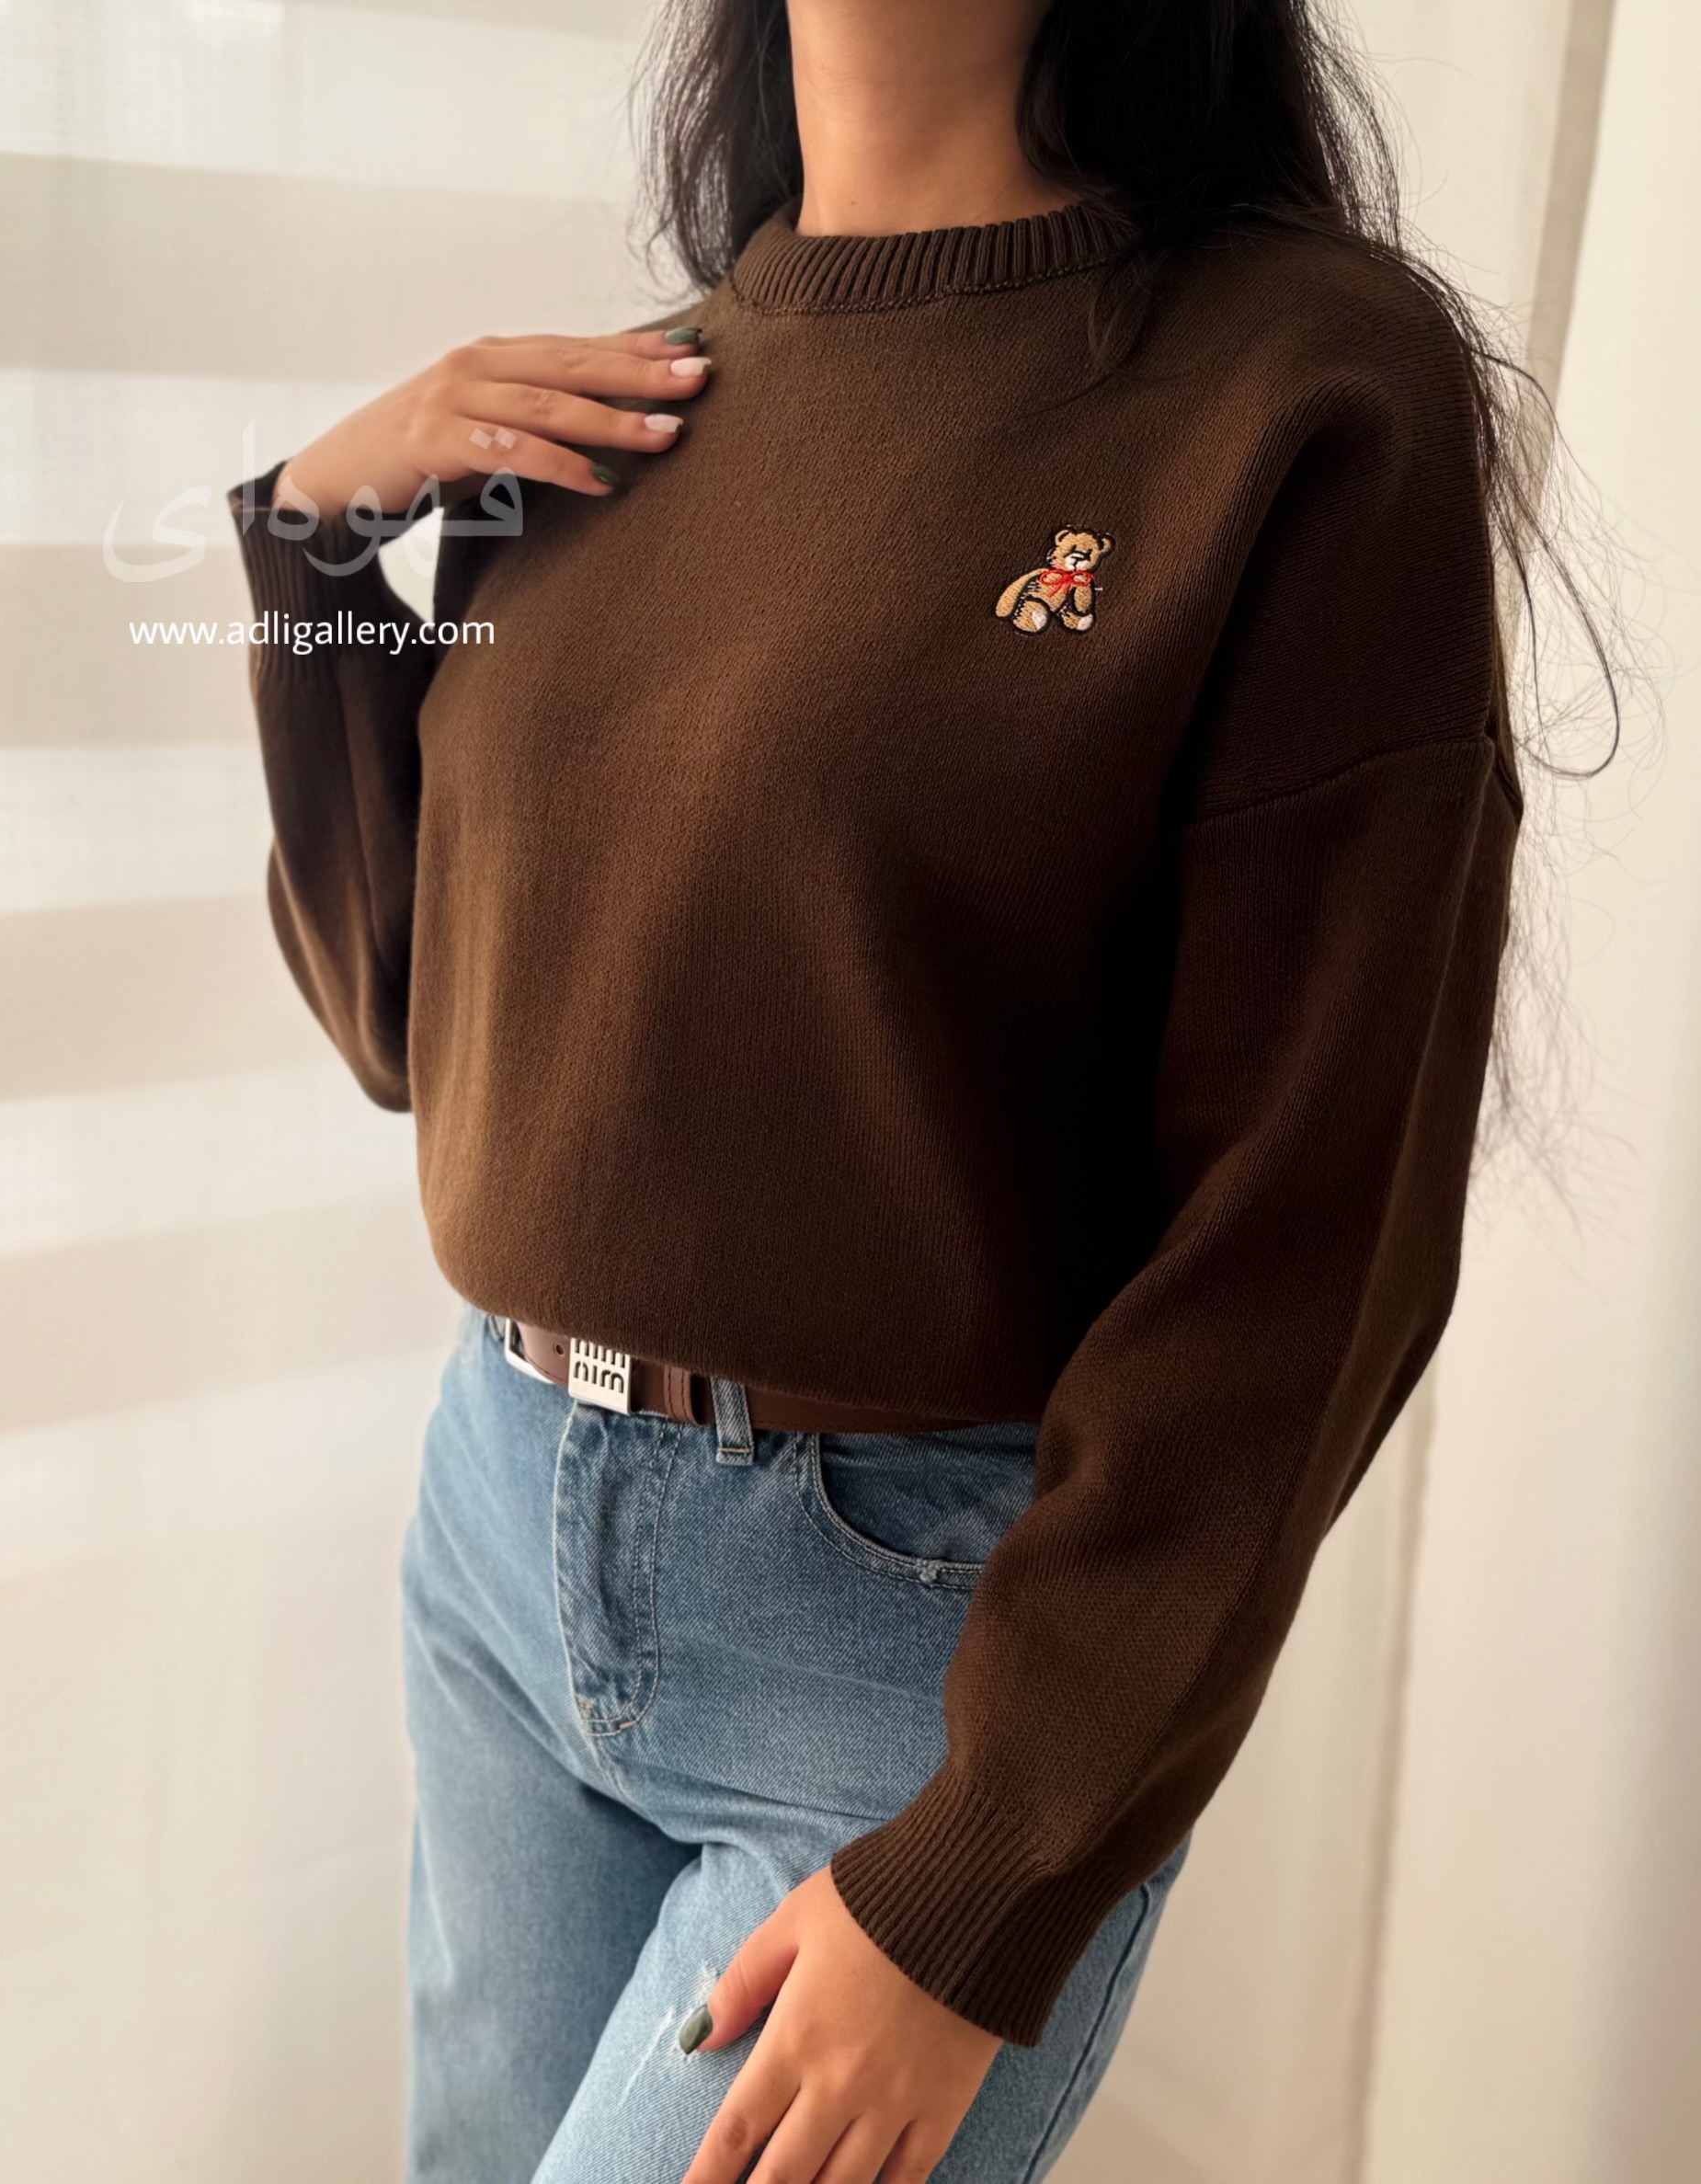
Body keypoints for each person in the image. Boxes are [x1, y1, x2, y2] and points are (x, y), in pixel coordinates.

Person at [226, 3, 1546, 2178]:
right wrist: (317, 554)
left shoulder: (1293, 389)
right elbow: (409, 1023)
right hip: (499, 1526)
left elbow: (1310, 1233)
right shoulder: (623, 404)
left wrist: (992, 1862)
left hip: (900, 1634)